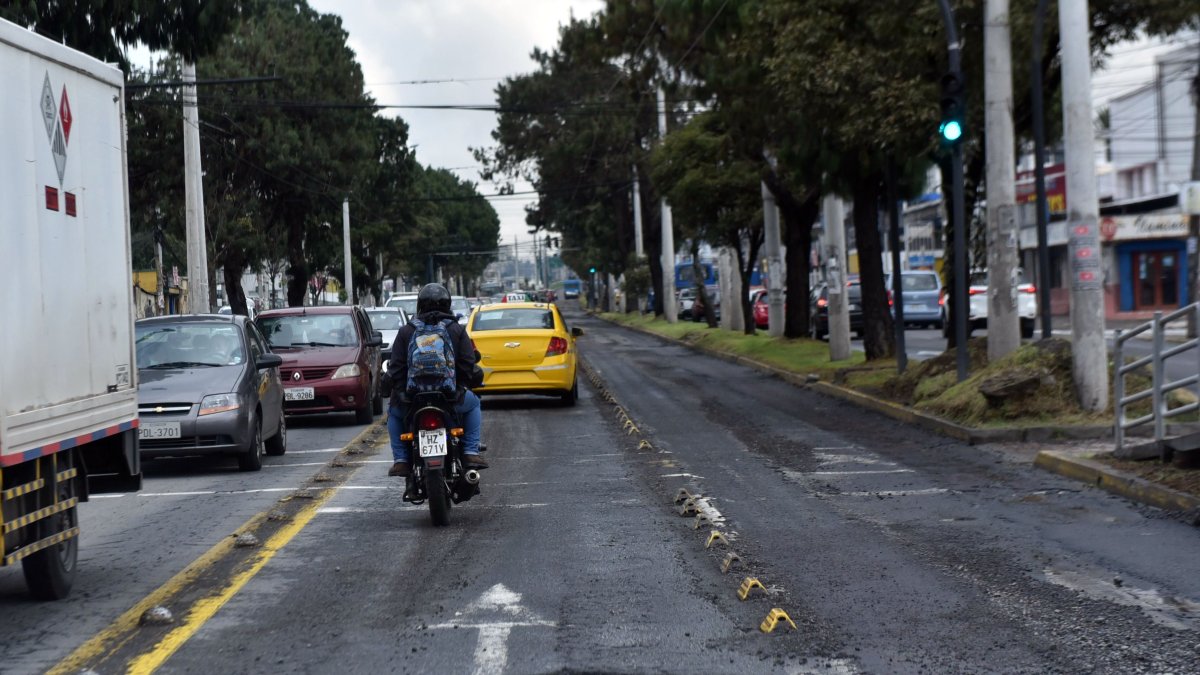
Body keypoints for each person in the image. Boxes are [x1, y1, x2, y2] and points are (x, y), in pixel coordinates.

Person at [386, 283, 486, 477]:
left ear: (419, 304)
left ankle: (401, 460)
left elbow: (396, 368)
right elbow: (467, 363)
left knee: (393, 412)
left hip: (413, 400)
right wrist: (463, 385)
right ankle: (471, 452)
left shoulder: (407, 330)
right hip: (450, 398)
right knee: (473, 404)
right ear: (447, 304)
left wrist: (396, 389)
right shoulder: (455, 329)